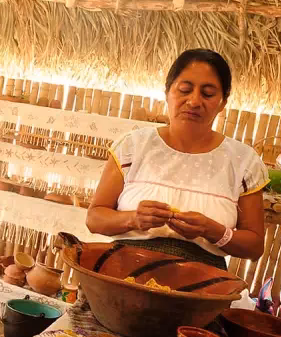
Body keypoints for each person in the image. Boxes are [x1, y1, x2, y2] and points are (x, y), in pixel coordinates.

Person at [86, 49, 267, 269]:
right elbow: (94, 219)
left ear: (222, 103)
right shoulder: (134, 146)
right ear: (168, 92)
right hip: (123, 272)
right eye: (184, 90)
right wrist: (134, 219)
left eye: (208, 94)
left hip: (200, 287)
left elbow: (255, 247)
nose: (194, 101)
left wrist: (212, 231)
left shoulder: (243, 161)